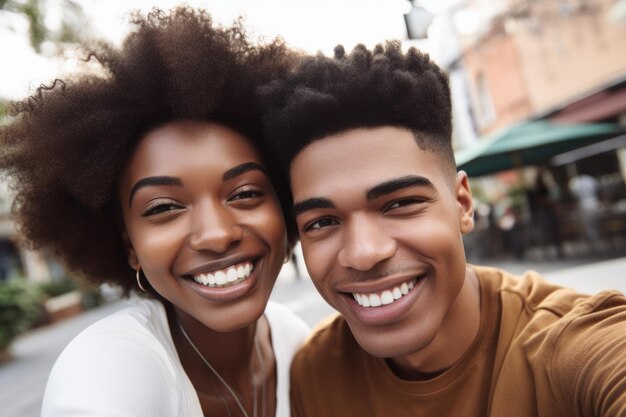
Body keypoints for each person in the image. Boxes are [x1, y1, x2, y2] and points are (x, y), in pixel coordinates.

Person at [260, 42, 626, 416]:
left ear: (462, 204)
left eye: (400, 203)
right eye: (322, 222)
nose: (364, 253)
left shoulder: (573, 345)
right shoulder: (316, 371)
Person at [1, 8, 309, 417]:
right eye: (164, 207)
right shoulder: (107, 370)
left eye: (245, 193)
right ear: (130, 246)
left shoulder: (297, 344)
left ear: (285, 206)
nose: (216, 234)